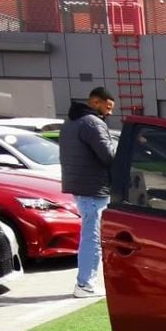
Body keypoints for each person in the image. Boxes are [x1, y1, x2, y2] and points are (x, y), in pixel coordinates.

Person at [59, 86, 116, 298]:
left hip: (82, 186)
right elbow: (108, 156)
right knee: (92, 237)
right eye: (107, 107)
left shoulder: (71, 123)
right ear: (95, 102)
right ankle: (85, 284)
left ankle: (86, 282)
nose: (109, 112)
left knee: (90, 235)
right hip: (93, 188)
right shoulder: (92, 123)